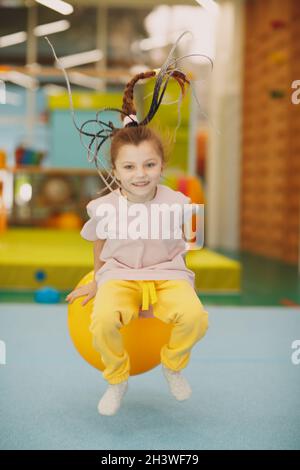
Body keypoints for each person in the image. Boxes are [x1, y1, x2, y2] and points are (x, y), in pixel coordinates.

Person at [60, 31, 210, 416]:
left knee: (195, 318)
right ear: (117, 171)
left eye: (149, 165)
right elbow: (98, 246)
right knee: (102, 322)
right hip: (120, 275)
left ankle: (173, 365)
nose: (140, 174)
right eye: (129, 167)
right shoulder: (104, 207)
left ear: (161, 166)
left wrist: (176, 289)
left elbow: (188, 248)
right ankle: (117, 377)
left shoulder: (180, 203)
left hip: (167, 274)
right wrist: (97, 278)